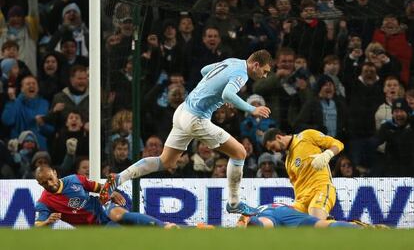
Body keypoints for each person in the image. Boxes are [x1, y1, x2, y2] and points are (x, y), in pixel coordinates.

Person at [100, 49, 273, 215]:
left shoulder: (232, 61)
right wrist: (252, 109)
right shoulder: (241, 74)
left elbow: (205, 70)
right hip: (196, 118)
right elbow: (228, 94)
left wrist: (219, 92)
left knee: (166, 161)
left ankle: (118, 179)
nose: (264, 76)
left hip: (183, 111)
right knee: (240, 153)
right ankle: (234, 203)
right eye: (264, 71)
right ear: (256, 65)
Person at [34, 165, 176, 228]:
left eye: (50, 178)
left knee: (118, 215)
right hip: (96, 228)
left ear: (55, 173)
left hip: (102, 206)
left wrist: (111, 192)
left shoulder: (74, 179)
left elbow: (98, 188)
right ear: (40, 184)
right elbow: (38, 225)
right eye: (44, 182)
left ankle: (164, 226)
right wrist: (47, 222)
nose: (50, 184)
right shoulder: (44, 202)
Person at [262, 128, 344, 219]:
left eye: (273, 147)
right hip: (302, 201)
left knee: (315, 221)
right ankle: (329, 222)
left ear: (278, 137)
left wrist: (327, 155)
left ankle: (353, 226)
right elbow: (296, 185)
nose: (274, 151)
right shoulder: (288, 162)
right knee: (284, 221)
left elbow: (337, 144)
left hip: (321, 188)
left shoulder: (307, 136)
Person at [235, 203, 386, 229]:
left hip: (269, 215)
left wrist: (241, 224)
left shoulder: (258, 209)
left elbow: (246, 214)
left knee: (261, 225)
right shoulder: (284, 206)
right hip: (290, 213)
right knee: (321, 226)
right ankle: (359, 227)